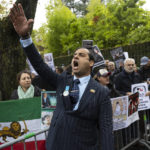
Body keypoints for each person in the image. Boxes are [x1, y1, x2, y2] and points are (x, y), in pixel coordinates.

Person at [10, 4, 114, 150]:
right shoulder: (62, 81)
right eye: (74, 55)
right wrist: (25, 37)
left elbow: (106, 130)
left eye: (81, 55)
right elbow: (39, 64)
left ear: (91, 63)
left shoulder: (101, 92)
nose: (76, 56)